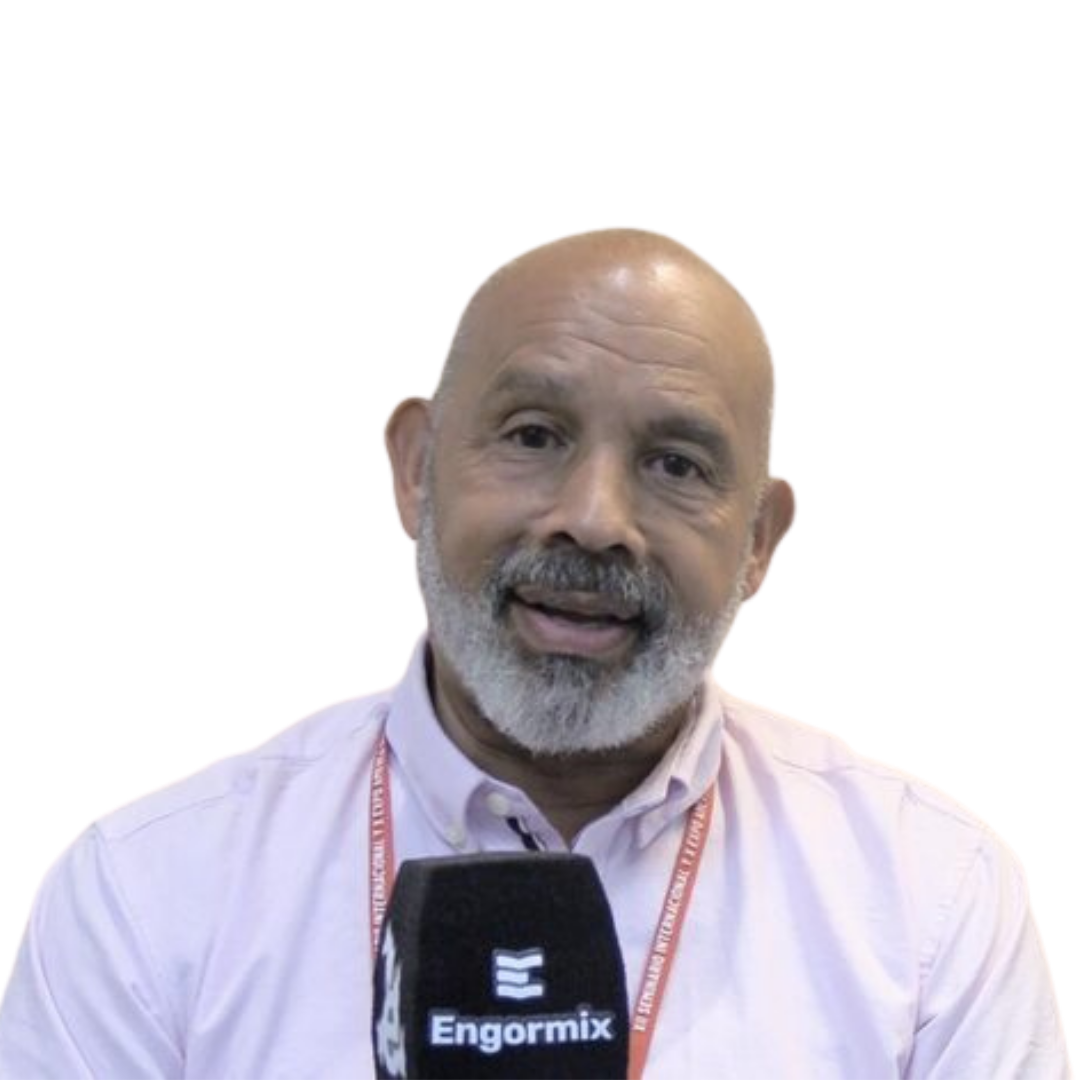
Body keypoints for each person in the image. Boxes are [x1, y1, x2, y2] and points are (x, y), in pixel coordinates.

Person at [0, 230, 1068, 1078]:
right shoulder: (149, 899)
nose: (595, 520)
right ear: (416, 470)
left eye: (676, 463)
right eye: (533, 435)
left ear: (758, 541)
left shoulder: (930, 905)